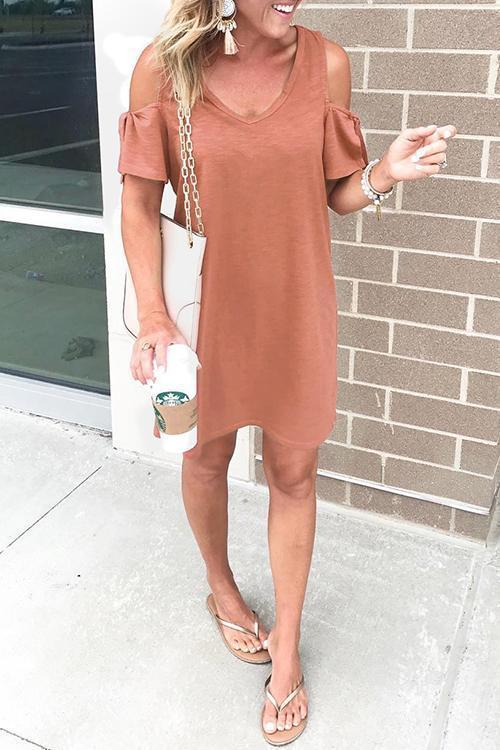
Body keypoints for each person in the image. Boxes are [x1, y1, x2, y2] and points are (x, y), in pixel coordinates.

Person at [118, 0, 456, 744]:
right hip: (199, 316)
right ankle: (221, 589)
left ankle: (289, 651)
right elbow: (138, 202)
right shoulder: (164, 68)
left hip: (297, 310)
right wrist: (153, 313)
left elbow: (335, 195)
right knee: (205, 457)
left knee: (294, 475)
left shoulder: (326, 63)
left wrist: (384, 173)